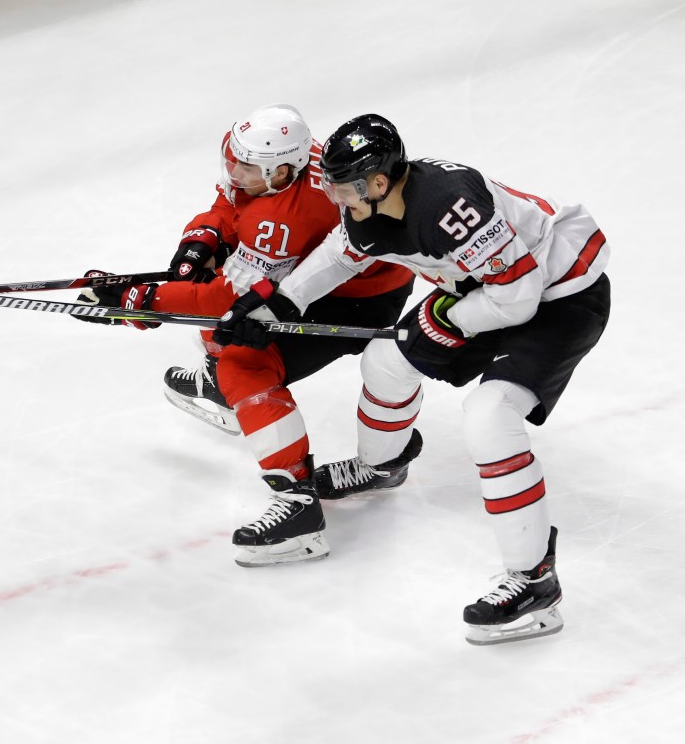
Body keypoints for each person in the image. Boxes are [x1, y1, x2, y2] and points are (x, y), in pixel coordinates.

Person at [213, 113, 610, 644]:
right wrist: (277, 304)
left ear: (379, 182)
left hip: (561, 297)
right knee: (386, 359)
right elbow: (339, 255)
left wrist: (444, 320)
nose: (336, 199)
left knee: (491, 416)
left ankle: (535, 583)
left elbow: (517, 298)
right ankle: (382, 466)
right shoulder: (370, 206)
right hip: (491, 289)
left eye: (344, 188)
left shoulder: (450, 205)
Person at [77, 104, 414, 567]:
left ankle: (298, 507)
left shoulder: (284, 218)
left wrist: (139, 304)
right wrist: (202, 240)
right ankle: (228, 390)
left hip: (354, 299)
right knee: (221, 300)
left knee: (241, 353)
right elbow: (230, 205)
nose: (234, 172)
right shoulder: (280, 166)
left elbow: (226, 302)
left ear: (281, 172)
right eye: (232, 160)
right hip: (328, 272)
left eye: (247, 168)